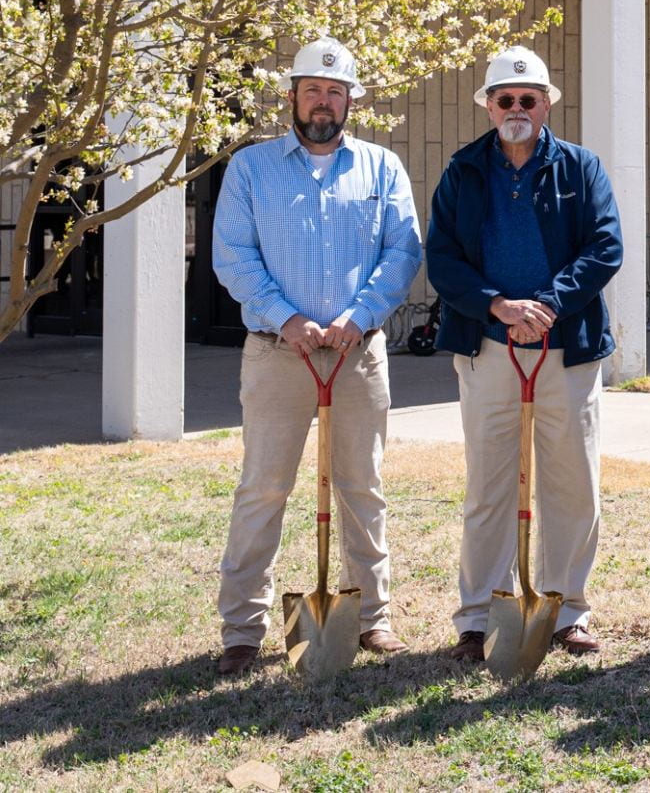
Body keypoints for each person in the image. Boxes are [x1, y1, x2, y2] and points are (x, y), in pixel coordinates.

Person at [209, 37, 422, 675]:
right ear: (293, 98)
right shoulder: (251, 169)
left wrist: (359, 317)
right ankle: (242, 630)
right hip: (279, 355)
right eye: (312, 90)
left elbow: (403, 252)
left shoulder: (382, 169)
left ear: (351, 99)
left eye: (335, 91)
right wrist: (289, 318)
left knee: (363, 488)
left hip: (357, 357)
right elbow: (232, 255)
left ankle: (371, 619)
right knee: (263, 488)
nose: (323, 102)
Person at [425, 45, 624, 663]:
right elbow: (443, 259)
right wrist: (498, 306)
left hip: (567, 349)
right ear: (489, 106)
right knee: (489, 485)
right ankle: (479, 617)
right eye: (505, 99)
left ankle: (567, 611)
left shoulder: (582, 167)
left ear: (546, 106)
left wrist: (546, 303)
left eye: (528, 99)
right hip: (488, 347)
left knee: (571, 485)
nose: (516, 108)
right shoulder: (462, 171)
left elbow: (604, 246)